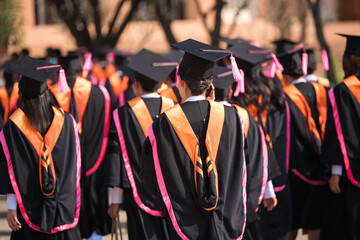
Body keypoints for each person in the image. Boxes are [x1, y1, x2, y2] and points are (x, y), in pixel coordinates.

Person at [140, 38, 247, 239]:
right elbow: (241, 165)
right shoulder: (232, 116)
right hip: (225, 219)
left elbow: (149, 172)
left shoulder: (165, 123)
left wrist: (171, 200)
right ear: (209, 85)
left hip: (184, 222)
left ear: (180, 82)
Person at [0, 56, 81, 239]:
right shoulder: (67, 121)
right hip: (63, 207)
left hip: (27, 210)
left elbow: (10, 169)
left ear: (21, 91)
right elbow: (74, 164)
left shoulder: (13, 127)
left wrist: (11, 208)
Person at [106, 49, 175, 239]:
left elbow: (118, 158)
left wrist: (115, 200)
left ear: (135, 85)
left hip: (137, 194)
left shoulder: (123, 114)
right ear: (161, 84)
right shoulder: (175, 109)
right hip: (172, 193)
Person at [49, 54, 112, 239]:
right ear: (80, 70)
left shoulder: (52, 92)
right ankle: (95, 232)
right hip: (94, 155)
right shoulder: (99, 92)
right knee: (92, 194)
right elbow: (105, 126)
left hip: (63, 161)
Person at [278, 46, 329, 240]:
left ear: (285, 73)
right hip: (323, 164)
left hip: (296, 168)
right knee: (315, 221)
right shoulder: (324, 90)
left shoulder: (285, 96)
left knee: (293, 220)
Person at [320, 34, 360, 240]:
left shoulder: (343, 91)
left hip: (353, 172)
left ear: (349, 59)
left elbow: (341, 132)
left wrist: (335, 169)